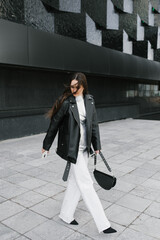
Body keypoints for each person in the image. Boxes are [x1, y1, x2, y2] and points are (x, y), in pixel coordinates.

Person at [42, 72, 117, 234]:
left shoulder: (90, 100)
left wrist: (96, 145)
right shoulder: (67, 103)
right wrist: (46, 145)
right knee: (86, 184)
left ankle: (65, 214)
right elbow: (54, 124)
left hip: (85, 150)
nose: (74, 89)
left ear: (84, 86)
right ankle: (103, 224)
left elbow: (94, 124)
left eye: (77, 87)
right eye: (72, 86)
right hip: (72, 150)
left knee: (75, 184)